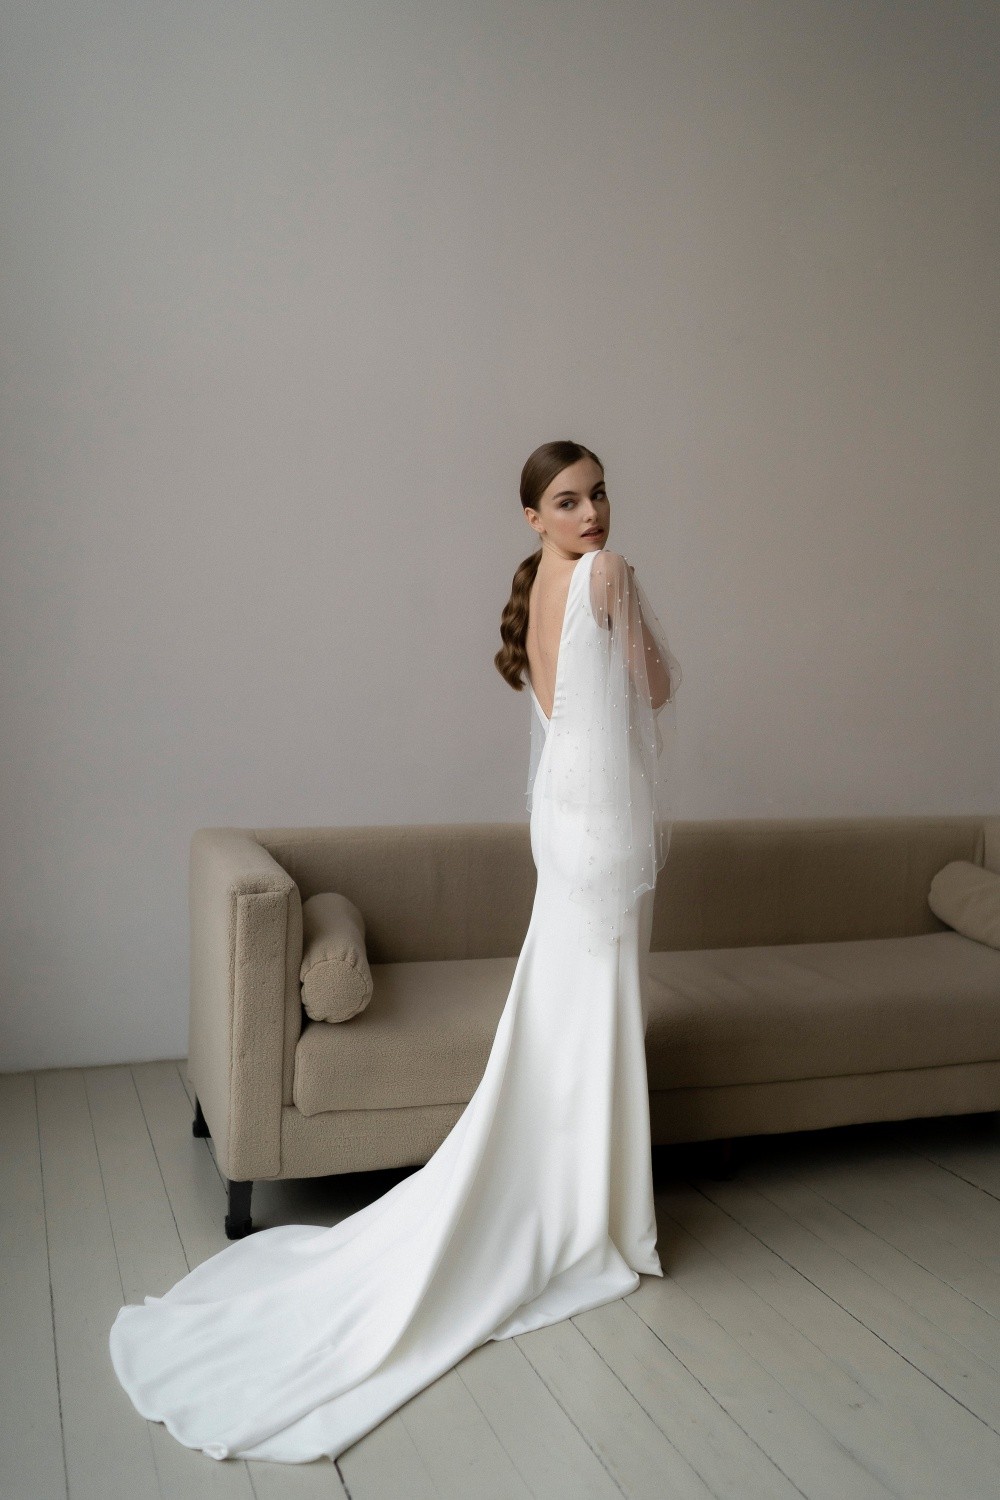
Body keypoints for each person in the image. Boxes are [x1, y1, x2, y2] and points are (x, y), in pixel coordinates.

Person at [108, 439, 682, 1465]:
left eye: (598, 494)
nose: (592, 513)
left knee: (569, 1009)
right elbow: (658, 688)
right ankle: (591, 1215)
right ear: (534, 516)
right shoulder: (604, 573)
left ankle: (579, 1196)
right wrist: (635, 604)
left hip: (562, 820)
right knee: (590, 1008)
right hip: (595, 825)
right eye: (567, 500)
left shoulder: (542, 582)